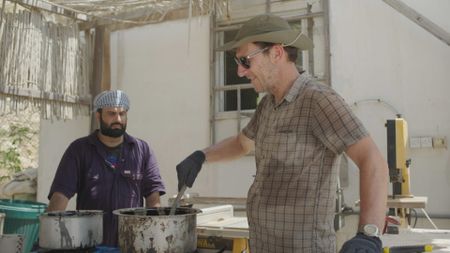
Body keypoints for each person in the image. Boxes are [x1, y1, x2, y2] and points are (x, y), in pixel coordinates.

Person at [176, 14, 388, 253]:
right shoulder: (267, 105)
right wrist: (201, 156)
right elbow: (241, 144)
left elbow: (373, 160)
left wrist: (368, 235)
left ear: (276, 53)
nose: (239, 72)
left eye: (245, 61)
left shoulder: (318, 100)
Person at [47, 90, 166, 247]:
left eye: (122, 114)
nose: (117, 119)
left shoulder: (142, 150)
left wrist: (156, 240)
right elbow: (60, 196)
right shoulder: (79, 150)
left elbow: (153, 199)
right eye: (111, 114)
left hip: (131, 244)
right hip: (90, 245)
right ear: (98, 116)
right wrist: (48, 238)